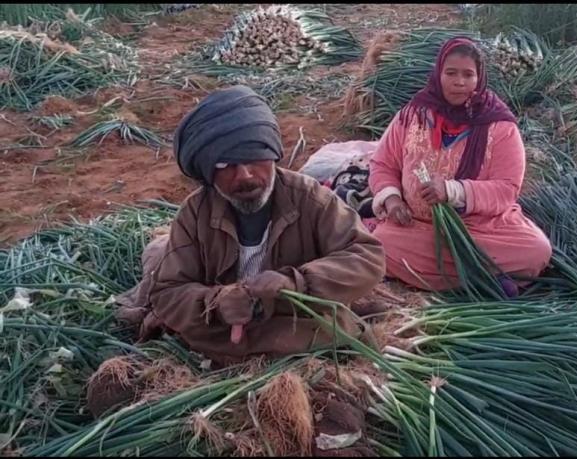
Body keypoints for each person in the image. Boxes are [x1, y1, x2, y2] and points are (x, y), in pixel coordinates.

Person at [123, 85, 385, 365]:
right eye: (226, 164)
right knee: (159, 264)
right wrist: (216, 303)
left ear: (272, 152)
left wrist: (296, 282)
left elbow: (367, 257)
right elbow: (168, 292)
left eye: (253, 157)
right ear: (208, 171)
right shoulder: (195, 212)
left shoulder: (310, 198)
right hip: (221, 333)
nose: (245, 175)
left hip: (296, 323)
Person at [368, 37, 552, 293]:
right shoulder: (413, 114)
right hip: (419, 227)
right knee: (379, 243)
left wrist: (453, 191)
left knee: (536, 250)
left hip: (481, 229)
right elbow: (382, 164)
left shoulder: (500, 126)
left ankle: (438, 277)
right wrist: (392, 201)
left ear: (480, 78)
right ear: (438, 74)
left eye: (468, 74)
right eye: (450, 73)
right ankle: (484, 279)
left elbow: (507, 189)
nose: (459, 82)